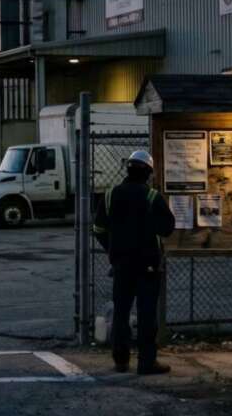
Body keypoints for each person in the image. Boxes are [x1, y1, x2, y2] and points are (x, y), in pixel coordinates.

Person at [92, 150, 175, 375]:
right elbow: (168, 228)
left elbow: (98, 229)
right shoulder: (152, 196)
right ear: (148, 171)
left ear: (127, 169)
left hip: (121, 264)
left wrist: (112, 249)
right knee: (147, 313)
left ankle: (121, 360)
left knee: (121, 312)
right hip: (148, 264)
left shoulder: (110, 195)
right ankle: (147, 362)